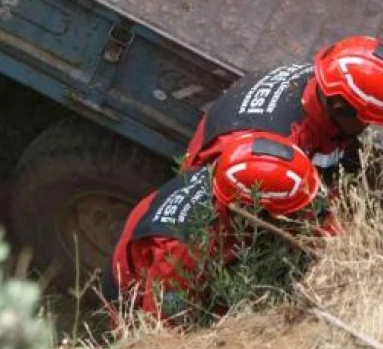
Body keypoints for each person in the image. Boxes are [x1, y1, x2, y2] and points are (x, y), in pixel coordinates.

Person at [100, 131, 324, 326]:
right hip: (136, 288)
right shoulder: (184, 250)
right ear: (252, 210)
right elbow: (166, 325)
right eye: (288, 214)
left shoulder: (228, 180)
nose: (295, 218)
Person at [181, 35, 383, 176]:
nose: (369, 126)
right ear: (340, 107)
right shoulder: (275, 149)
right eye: (366, 120)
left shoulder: (318, 82)